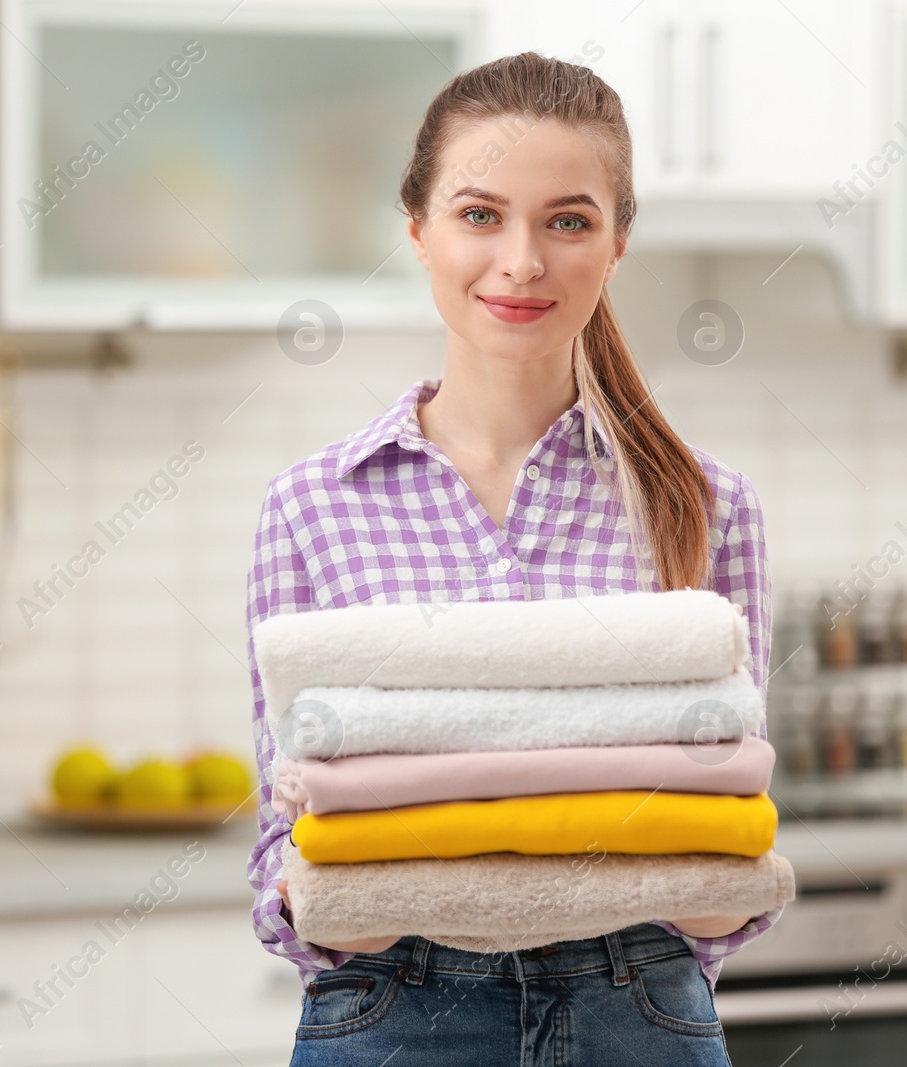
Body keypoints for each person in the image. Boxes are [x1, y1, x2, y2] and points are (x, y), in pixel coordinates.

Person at [244, 50, 779, 1066]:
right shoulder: (312, 507)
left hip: (639, 1014)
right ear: (418, 230)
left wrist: (696, 911)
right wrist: (322, 901)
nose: (521, 262)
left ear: (618, 242)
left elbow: (735, 816)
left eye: (567, 220)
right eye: (480, 214)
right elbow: (278, 837)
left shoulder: (707, 506)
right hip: (392, 1008)